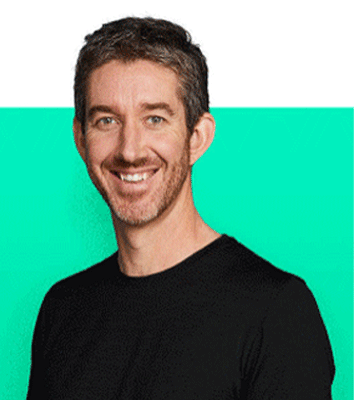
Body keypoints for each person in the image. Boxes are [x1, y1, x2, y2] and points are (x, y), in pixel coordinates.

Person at [26, 17, 335, 399]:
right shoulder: (62, 310)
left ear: (197, 138)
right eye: (107, 120)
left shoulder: (276, 311)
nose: (130, 150)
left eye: (155, 119)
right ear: (81, 139)